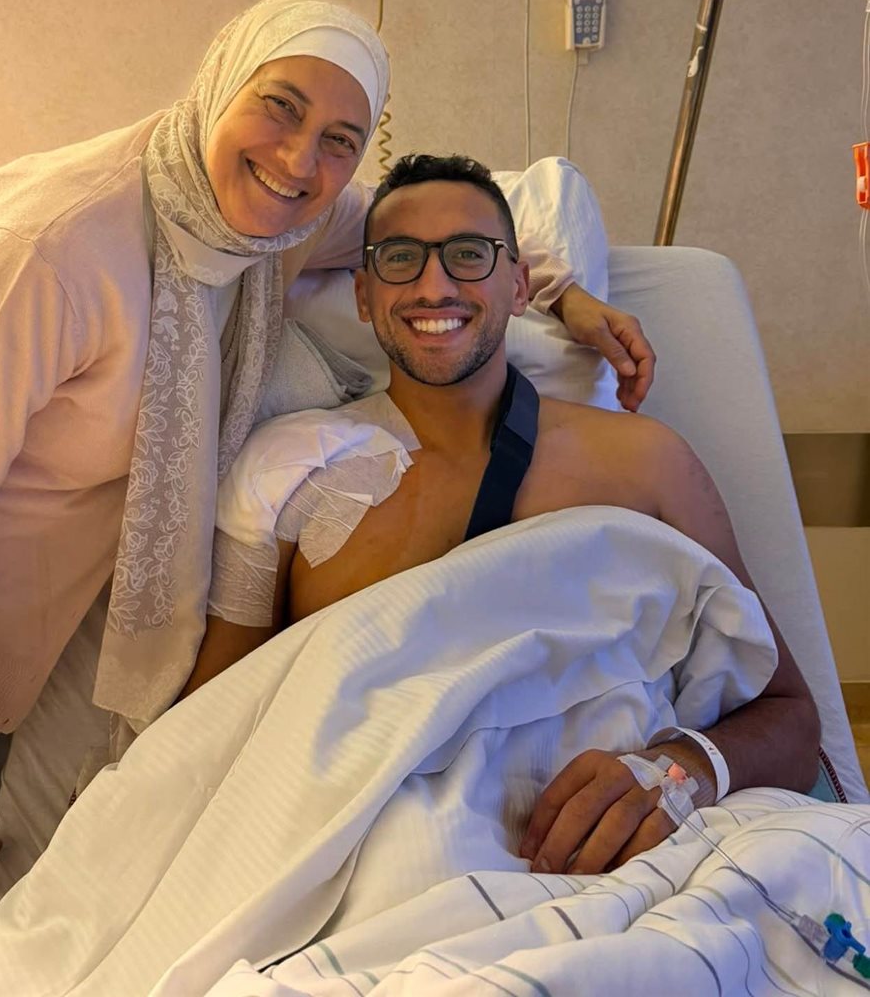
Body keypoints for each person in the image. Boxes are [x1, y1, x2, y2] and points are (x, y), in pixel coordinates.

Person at [0, 0, 654, 997]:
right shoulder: (52, 251)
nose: (301, 159)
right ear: (219, 85)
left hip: (15, 608)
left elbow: (429, 235)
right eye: (280, 107)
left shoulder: (268, 221)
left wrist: (563, 292)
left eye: (340, 139)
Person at [183, 151, 819, 873]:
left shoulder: (647, 463)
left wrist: (679, 774)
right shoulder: (287, 477)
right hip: (386, 872)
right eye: (400, 258)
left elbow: (793, 718)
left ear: (519, 286)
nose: (434, 286)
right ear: (363, 294)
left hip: (633, 868)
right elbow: (209, 735)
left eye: (468, 254)